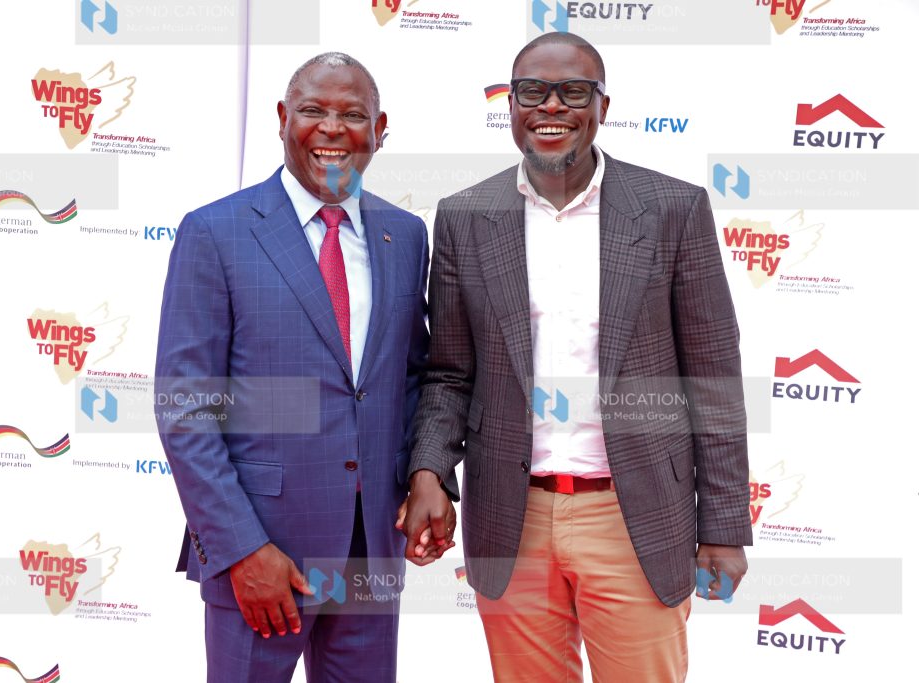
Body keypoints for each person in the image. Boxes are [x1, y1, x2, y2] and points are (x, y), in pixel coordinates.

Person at [401, 33, 752, 682]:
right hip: (511, 517)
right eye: (532, 91)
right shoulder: (463, 216)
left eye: (573, 91)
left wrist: (724, 525)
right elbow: (449, 373)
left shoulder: (673, 209)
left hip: (634, 515)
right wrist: (429, 472)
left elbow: (713, 378)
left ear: (602, 105)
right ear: (510, 105)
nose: (551, 106)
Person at [155, 52, 429, 683]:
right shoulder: (216, 232)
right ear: (282, 118)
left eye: (353, 115)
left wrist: (427, 477)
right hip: (262, 555)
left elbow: (411, 380)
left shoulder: (405, 234)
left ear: (380, 130)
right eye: (313, 110)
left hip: (368, 557)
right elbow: (185, 409)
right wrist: (242, 549)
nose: (332, 129)